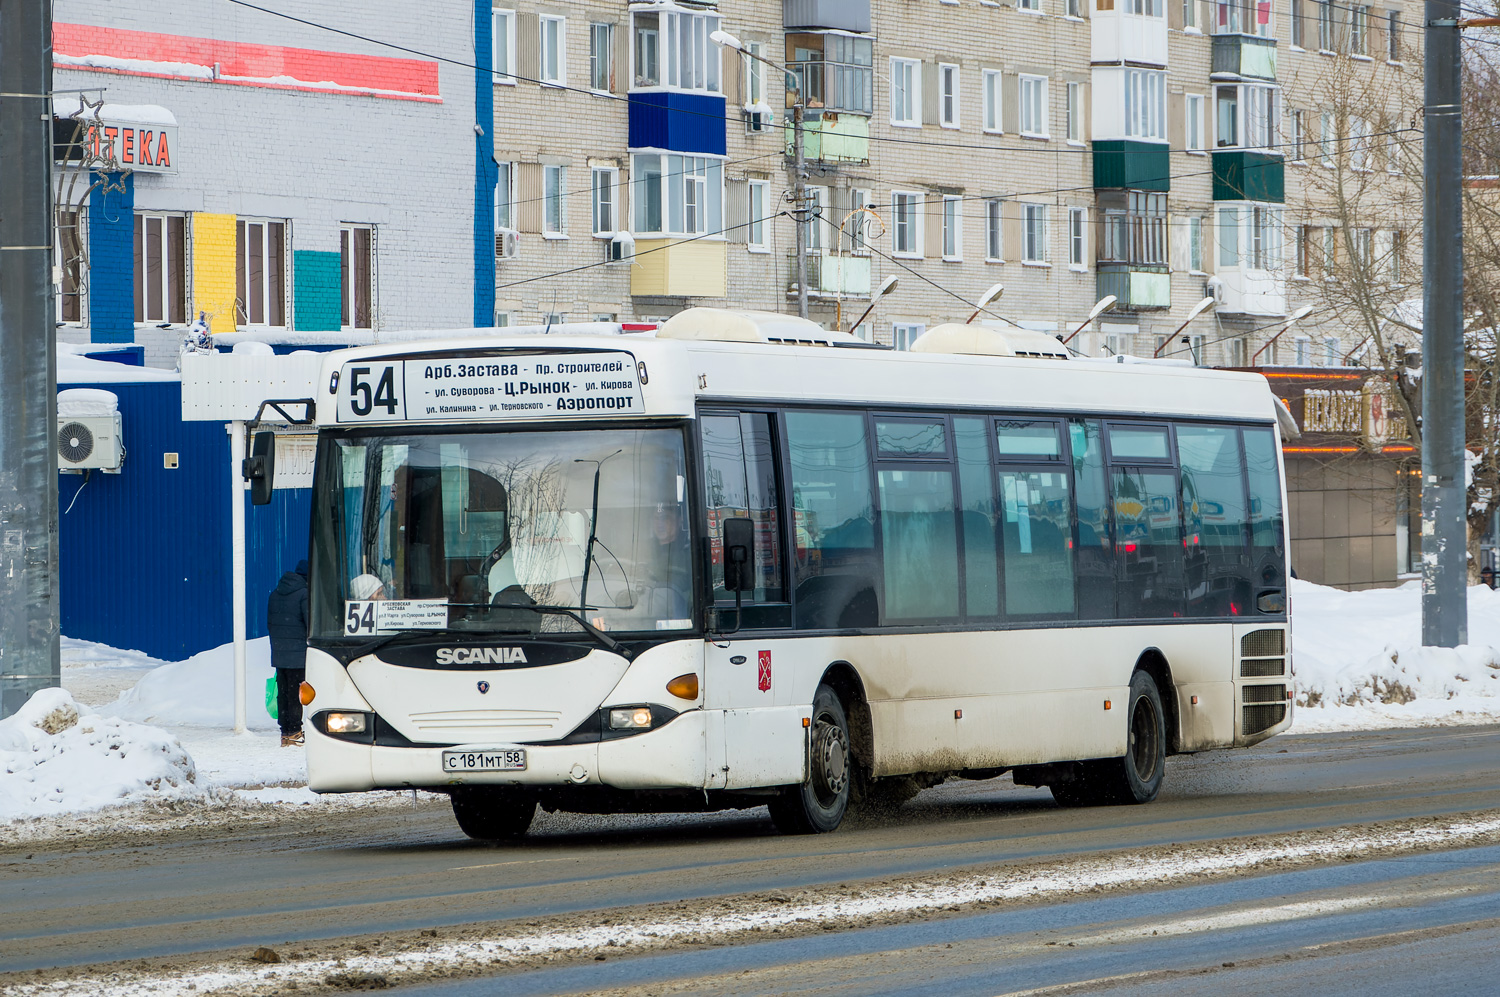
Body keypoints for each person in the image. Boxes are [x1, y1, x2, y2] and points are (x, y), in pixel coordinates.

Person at [267, 560, 310, 747]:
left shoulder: (275, 593)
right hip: (298, 653)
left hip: (279, 651)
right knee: (296, 694)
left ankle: (285, 732)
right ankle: (295, 732)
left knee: (283, 693)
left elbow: (270, 623)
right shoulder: (304, 594)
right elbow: (310, 624)